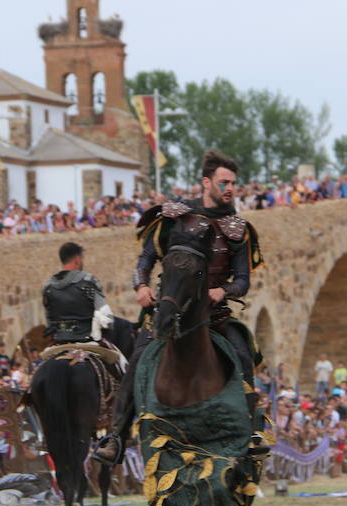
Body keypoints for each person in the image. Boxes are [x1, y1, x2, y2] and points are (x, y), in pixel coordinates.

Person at [94, 150, 264, 465]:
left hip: (213, 317)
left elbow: (243, 281)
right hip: (168, 311)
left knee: (243, 354)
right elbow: (145, 260)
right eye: (224, 182)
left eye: (233, 183)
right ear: (206, 182)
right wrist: (141, 286)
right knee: (138, 361)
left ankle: (252, 431)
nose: (230, 189)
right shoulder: (173, 217)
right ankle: (116, 436)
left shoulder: (238, 228)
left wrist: (221, 291)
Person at [42, 242, 113, 344]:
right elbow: (104, 313)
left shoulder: (48, 287)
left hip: (60, 341)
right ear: (77, 259)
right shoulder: (88, 281)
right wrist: (110, 325)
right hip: (89, 339)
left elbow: (49, 320)